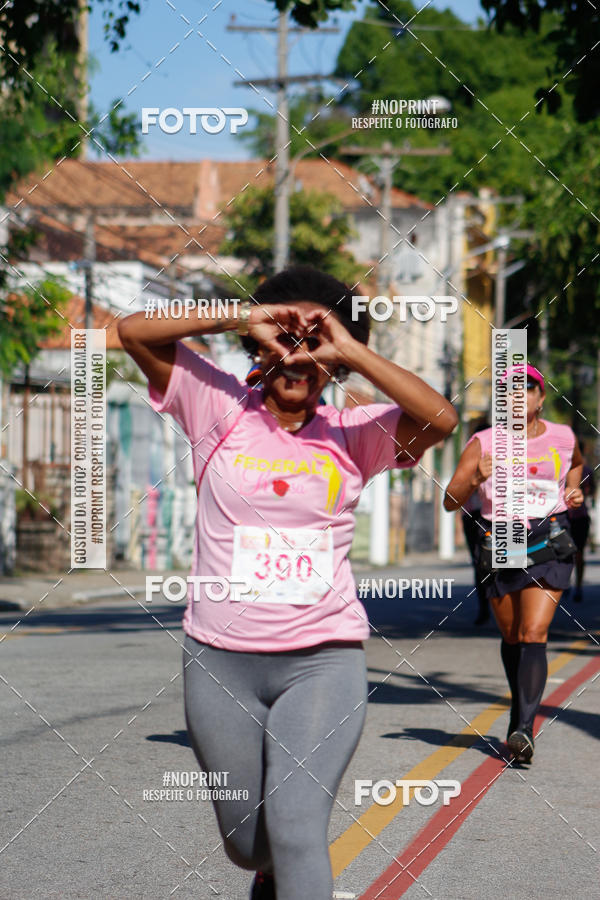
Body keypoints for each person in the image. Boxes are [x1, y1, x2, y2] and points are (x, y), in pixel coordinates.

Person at [118, 266, 457, 900]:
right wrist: (242, 316)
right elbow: (132, 331)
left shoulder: (355, 437)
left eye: (313, 343)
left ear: (333, 361)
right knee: (249, 843)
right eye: (282, 338)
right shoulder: (213, 405)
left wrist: (349, 344)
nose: (296, 357)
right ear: (259, 348)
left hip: (323, 662)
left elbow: (440, 418)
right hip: (220, 663)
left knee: (298, 828)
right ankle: (271, 876)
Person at [443, 364, 583, 765]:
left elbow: (574, 464)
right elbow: (450, 500)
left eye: (528, 391)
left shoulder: (562, 436)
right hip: (501, 536)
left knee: (534, 630)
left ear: (541, 398)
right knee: (513, 635)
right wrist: (474, 480)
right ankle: (518, 720)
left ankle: (524, 727)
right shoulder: (483, 443)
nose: (519, 398)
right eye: (509, 392)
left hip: (549, 534)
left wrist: (573, 490)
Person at [461, 417, 491, 625]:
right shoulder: (468, 460)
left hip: (497, 517)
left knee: (503, 563)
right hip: (473, 516)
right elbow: (458, 490)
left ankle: (502, 608)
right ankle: (484, 608)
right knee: (479, 563)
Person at [567, 443, 596, 602]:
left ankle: (572, 586)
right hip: (573, 517)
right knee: (575, 553)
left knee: (571, 553)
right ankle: (574, 586)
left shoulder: (565, 470)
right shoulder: (587, 471)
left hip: (571, 517)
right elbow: (592, 490)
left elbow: (592, 489)